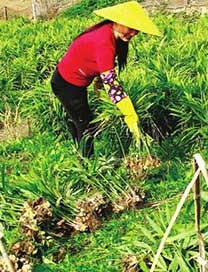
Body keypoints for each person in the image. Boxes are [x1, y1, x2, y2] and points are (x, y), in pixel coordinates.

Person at [51, 1, 161, 157]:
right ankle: (87, 166)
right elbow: (112, 84)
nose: (133, 33)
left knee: (81, 121)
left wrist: (98, 82)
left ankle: (79, 151)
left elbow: (102, 66)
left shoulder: (111, 34)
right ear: (117, 21)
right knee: (87, 125)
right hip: (66, 84)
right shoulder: (103, 41)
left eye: (137, 30)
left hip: (75, 83)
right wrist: (130, 115)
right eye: (130, 28)